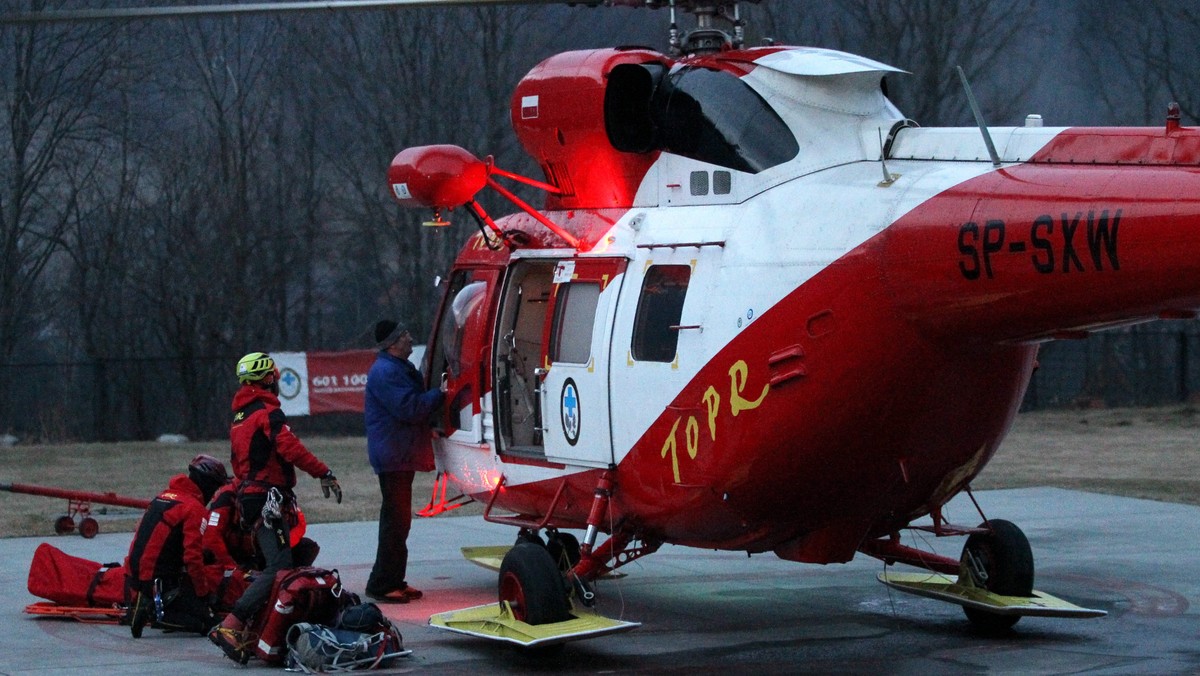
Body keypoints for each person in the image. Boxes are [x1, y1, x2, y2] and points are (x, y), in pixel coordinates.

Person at [209, 351, 342, 664]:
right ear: (266, 377)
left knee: (276, 562)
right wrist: (323, 471)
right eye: (275, 374)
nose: (278, 379)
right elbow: (291, 448)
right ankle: (232, 624)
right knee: (279, 567)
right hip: (266, 498)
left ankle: (249, 627)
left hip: (250, 498)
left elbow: (237, 462)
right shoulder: (267, 414)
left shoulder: (240, 417)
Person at [363, 320, 445, 603]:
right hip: (393, 455)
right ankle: (382, 584)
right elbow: (410, 408)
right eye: (405, 334)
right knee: (395, 522)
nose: (411, 337)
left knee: (399, 521)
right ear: (393, 343)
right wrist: (441, 394)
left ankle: (393, 578)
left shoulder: (394, 368)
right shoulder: (386, 372)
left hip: (397, 454)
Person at [125, 454, 229, 638]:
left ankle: (146, 599)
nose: (213, 495)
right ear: (206, 484)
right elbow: (192, 558)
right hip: (157, 581)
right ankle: (156, 612)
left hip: (134, 573)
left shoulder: (163, 497)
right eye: (214, 488)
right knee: (207, 624)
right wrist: (203, 594)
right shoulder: (194, 509)